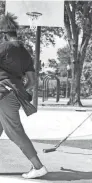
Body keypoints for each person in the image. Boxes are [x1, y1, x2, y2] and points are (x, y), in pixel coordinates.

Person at [0, 13, 48, 179]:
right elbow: (33, 81)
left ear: (3, 34)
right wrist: (19, 89)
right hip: (12, 94)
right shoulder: (24, 52)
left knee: (14, 131)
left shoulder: (3, 48)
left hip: (3, 94)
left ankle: (38, 166)